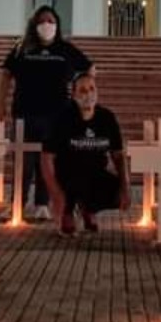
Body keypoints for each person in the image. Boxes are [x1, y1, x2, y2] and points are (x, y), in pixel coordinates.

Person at [0, 5, 92, 222]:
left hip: (57, 114)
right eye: (42, 21)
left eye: (50, 21)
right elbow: (5, 74)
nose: (46, 25)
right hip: (25, 113)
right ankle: (16, 204)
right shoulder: (22, 48)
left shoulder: (65, 49)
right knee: (23, 161)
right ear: (34, 24)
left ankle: (42, 203)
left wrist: (83, 94)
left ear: (57, 25)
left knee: (47, 161)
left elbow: (89, 69)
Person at [41, 71, 130, 237]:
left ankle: (89, 208)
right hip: (68, 175)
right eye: (82, 90)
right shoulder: (61, 118)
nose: (88, 94)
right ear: (73, 94)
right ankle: (67, 210)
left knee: (117, 192)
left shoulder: (107, 118)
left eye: (92, 89)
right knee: (74, 181)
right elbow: (46, 158)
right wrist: (55, 194)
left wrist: (125, 187)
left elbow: (118, 155)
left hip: (95, 173)